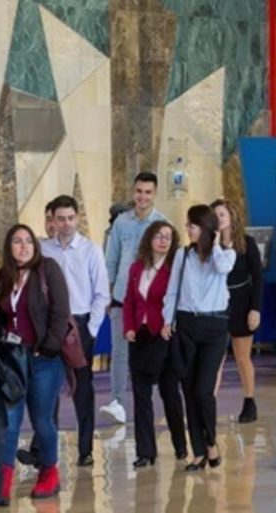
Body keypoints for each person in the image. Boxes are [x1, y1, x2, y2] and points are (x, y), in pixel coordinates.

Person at [0, 225, 70, 504]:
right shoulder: (3, 277)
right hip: (11, 361)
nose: (24, 246)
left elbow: (61, 312)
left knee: (42, 420)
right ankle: (3, 480)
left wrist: (49, 348)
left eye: (28, 240)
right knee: (8, 423)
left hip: (43, 360)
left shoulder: (48, 270)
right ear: (9, 247)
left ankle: (49, 472)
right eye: (17, 241)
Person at [161, 205, 236, 471]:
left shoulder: (225, 253)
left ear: (204, 228)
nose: (188, 230)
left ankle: (211, 442)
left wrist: (214, 243)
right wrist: (167, 320)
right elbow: (172, 290)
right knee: (189, 391)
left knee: (204, 391)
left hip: (214, 326)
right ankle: (199, 451)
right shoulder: (182, 255)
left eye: (192, 226)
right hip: (186, 324)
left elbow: (223, 268)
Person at [39, 196, 110, 467]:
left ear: (77, 218)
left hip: (80, 325)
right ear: (53, 221)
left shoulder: (91, 250)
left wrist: (90, 330)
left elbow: (101, 294)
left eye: (70, 218)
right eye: (61, 219)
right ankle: (46, 452)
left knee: (82, 388)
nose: (66, 223)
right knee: (47, 387)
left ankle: (86, 450)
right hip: (50, 325)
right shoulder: (43, 250)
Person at [104, 171, 166, 424]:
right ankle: (117, 402)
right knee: (119, 353)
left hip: (150, 302)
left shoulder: (162, 224)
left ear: (155, 193)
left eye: (148, 192)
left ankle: (149, 402)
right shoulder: (121, 223)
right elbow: (112, 259)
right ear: (133, 191)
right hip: (121, 297)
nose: (143, 197)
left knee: (149, 353)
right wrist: (108, 294)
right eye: (139, 191)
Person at [122, 221, 187, 467]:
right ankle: (145, 452)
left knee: (169, 394)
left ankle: (180, 445)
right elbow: (129, 301)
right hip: (139, 337)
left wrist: (170, 324)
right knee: (141, 396)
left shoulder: (174, 271)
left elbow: (179, 302)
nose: (163, 241)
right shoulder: (136, 268)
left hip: (164, 336)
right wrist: (128, 327)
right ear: (149, 239)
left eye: (168, 237)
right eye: (159, 236)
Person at [211, 200, 263, 422]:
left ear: (231, 216)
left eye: (222, 214)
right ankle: (209, 403)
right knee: (215, 358)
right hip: (217, 304)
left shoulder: (246, 243)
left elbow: (257, 277)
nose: (219, 219)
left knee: (242, 357)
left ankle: (249, 401)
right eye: (215, 216)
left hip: (241, 302)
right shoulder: (210, 245)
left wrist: (255, 309)